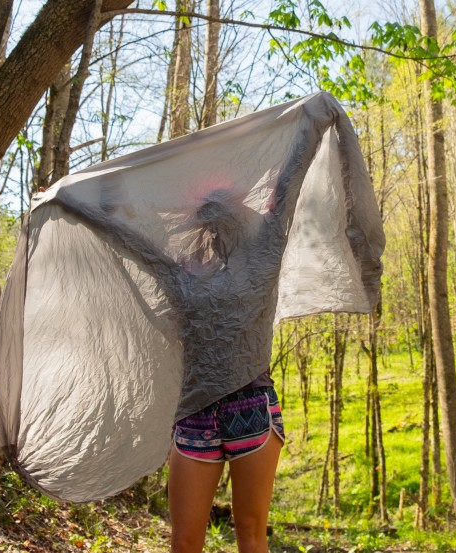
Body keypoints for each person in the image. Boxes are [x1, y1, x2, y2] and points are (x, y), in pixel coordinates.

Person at [49, 126, 320, 552]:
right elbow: (128, 239)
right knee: (184, 541)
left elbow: (287, 185)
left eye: (223, 208)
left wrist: (312, 123)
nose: (216, 218)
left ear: (240, 211)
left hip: (252, 406)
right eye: (207, 211)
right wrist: (68, 199)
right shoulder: (182, 274)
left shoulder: (264, 252)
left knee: (251, 533)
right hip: (195, 415)